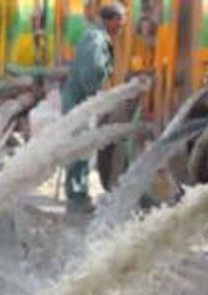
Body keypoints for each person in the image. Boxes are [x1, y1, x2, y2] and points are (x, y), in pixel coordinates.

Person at [60, 3, 126, 213]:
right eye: (120, 21)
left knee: (80, 146)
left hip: (78, 98)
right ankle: (77, 197)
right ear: (111, 19)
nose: (121, 27)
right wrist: (98, 95)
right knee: (81, 147)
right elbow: (93, 69)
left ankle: (77, 193)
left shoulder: (93, 35)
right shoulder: (97, 39)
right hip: (81, 100)